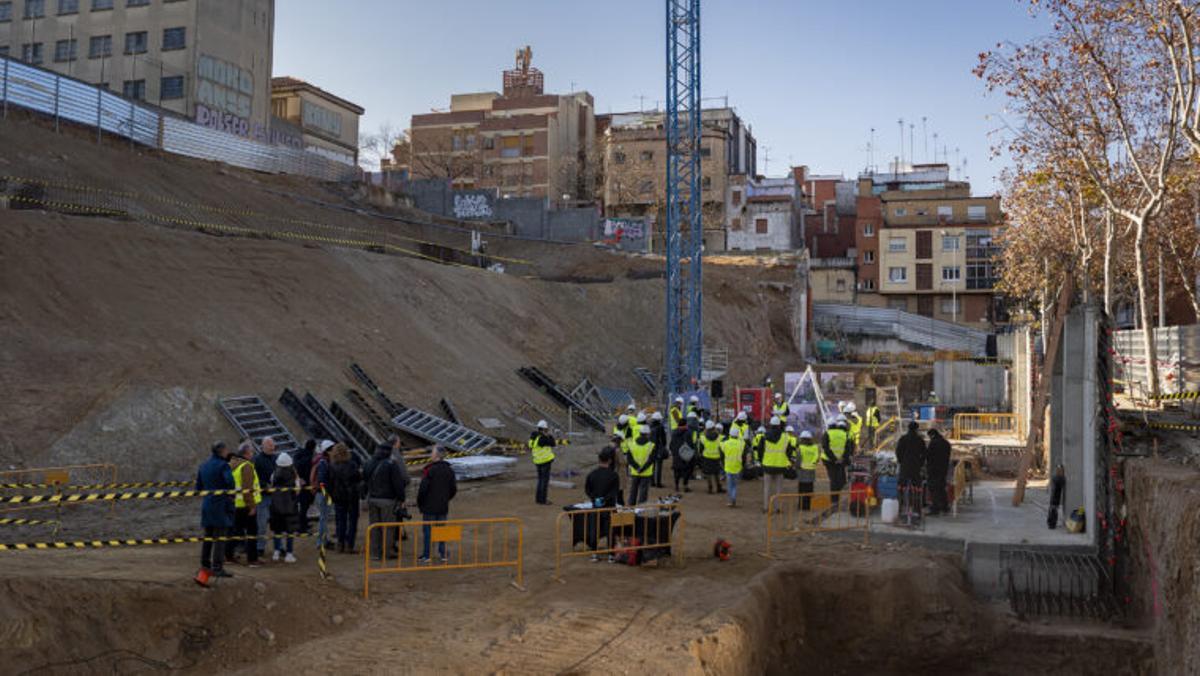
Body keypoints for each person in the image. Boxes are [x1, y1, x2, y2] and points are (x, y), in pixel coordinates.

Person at [364, 436, 410, 561]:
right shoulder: (391, 464)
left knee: (375, 526)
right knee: (389, 527)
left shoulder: (369, 463)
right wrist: (402, 498)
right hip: (387, 500)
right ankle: (388, 551)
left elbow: (365, 480)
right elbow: (398, 484)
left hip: (372, 498)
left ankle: (375, 553)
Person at [196, 441, 235, 581]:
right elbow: (230, 482)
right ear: (222, 451)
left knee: (208, 537)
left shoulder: (203, 465)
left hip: (207, 505)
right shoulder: (223, 465)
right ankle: (218, 567)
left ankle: (205, 565)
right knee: (220, 538)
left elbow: (198, 487)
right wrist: (231, 494)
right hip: (221, 505)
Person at [417, 445, 457, 564]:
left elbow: (423, 489)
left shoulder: (430, 470)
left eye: (432, 453)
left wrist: (420, 502)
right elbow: (453, 489)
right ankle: (442, 553)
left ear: (437, 455)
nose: (431, 455)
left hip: (429, 506)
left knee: (428, 531)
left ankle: (427, 555)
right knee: (441, 530)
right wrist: (446, 498)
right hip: (442, 505)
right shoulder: (449, 470)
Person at [226, 440, 261, 568]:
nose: (253, 453)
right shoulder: (246, 466)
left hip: (236, 504)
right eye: (251, 451)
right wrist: (252, 506)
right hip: (246, 505)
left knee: (235, 531)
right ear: (246, 453)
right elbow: (248, 488)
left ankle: (228, 556)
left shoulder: (233, 465)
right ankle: (252, 559)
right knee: (252, 532)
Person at [329, 443, 362, 554]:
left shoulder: (332, 466)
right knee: (352, 521)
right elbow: (358, 478)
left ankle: (340, 543)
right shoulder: (352, 464)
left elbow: (331, 482)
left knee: (340, 520)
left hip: (338, 496)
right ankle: (349, 545)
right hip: (352, 496)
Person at [269, 451, 301, 563]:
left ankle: (276, 552)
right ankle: (289, 553)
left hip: (276, 506)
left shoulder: (274, 474)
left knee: (277, 531)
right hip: (290, 507)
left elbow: (271, 485)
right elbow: (297, 491)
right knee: (290, 532)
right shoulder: (294, 476)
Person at [759, 417, 794, 514]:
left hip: (767, 465)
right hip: (780, 466)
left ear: (770, 424)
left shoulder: (764, 436)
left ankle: (766, 508)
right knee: (779, 489)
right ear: (779, 425)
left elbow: (760, 451)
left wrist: (762, 461)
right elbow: (789, 452)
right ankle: (778, 508)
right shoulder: (785, 437)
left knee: (767, 488)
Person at [251, 436, 278, 558]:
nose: (272, 447)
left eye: (273, 445)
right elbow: (253, 477)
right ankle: (259, 547)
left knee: (278, 523)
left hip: (276, 496)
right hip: (263, 496)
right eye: (269, 445)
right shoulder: (257, 460)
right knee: (261, 524)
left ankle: (279, 547)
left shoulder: (276, 458)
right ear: (263, 446)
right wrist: (264, 485)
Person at [821, 415, 854, 506]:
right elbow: (848, 449)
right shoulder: (845, 434)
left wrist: (834, 459)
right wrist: (842, 459)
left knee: (833, 480)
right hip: (840, 461)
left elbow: (826, 448)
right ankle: (837, 498)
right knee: (839, 479)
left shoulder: (827, 434)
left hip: (829, 461)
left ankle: (834, 500)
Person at [896, 421, 927, 518]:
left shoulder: (903, 439)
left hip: (905, 467)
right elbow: (925, 453)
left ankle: (900, 509)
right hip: (915, 467)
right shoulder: (919, 440)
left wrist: (901, 461)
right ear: (917, 429)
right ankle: (917, 510)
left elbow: (898, 451)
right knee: (917, 488)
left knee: (901, 487)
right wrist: (921, 463)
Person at [310, 439, 336, 548]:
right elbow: (322, 481)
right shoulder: (324, 462)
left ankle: (324, 539)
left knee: (323, 518)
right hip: (323, 494)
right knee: (323, 518)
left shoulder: (321, 461)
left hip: (321, 493)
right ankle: (321, 541)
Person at [625, 425, 656, 506]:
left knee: (633, 491)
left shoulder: (631, 444)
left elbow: (629, 459)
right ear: (648, 434)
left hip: (635, 472)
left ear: (640, 433)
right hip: (646, 473)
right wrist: (642, 469)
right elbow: (651, 460)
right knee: (643, 493)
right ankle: (640, 510)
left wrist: (637, 468)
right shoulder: (651, 445)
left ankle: (630, 508)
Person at [529, 420, 556, 505]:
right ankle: (543, 500)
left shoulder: (534, 437)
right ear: (545, 429)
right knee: (544, 481)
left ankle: (538, 499)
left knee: (540, 480)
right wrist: (549, 435)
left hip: (537, 461)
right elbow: (553, 443)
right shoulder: (543, 438)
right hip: (545, 461)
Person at [926, 427, 952, 516]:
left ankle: (935, 508)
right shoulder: (946, 443)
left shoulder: (933, 443)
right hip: (943, 469)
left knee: (933, 489)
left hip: (934, 470)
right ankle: (945, 507)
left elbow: (928, 456)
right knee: (941, 488)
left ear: (932, 435)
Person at [670, 411, 698, 492]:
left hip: (676, 455)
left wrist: (674, 452)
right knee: (687, 470)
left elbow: (671, 444)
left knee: (677, 471)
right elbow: (690, 444)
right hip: (685, 455)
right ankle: (685, 485)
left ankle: (676, 485)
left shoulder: (674, 432)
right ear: (685, 424)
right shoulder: (688, 432)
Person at [293, 439, 316, 534]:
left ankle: (303, 523)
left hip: (300, 483)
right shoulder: (310, 457)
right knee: (304, 507)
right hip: (307, 485)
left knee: (303, 506)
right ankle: (301, 528)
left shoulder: (298, 454)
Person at [721, 428, 747, 507]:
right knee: (735, 485)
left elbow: (722, 454)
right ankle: (733, 498)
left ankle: (731, 500)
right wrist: (743, 464)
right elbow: (744, 456)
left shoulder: (725, 443)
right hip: (737, 466)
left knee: (729, 484)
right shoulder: (741, 444)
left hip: (728, 466)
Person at [795, 430, 821, 511]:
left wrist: (797, 468)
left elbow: (798, 460)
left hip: (802, 471)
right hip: (811, 470)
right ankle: (808, 506)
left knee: (802, 489)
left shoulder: (800, 448)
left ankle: (801, 506)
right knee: (809, 488)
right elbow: (817, 459)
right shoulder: (815, 447)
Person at [698, 420, 724, 494]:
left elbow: (701, 448)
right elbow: (722, 448)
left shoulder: (703, 437)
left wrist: (700, 454)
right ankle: (719, 487)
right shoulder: (720, 437)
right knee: (716, 473)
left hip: (707, 457)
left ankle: (710, 488)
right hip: (716, 457)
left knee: (708, 473)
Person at [648, 411, 668, 488]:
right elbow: (663, 439)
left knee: (652, 466)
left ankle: (652, 482)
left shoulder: (650, 426)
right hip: (658, 447)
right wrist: (664, 446)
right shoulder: (660, 427)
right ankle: (658, 483)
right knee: (659, 466)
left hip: (651, 447)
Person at [1047, 464, 1066, 529]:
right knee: (1054, 510)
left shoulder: (1055, 477)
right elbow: (1062, 482)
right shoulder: (1058, 478)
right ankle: (1052, 524)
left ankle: (1051, 523)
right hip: (1055, 496)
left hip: (1054, 496)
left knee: (1052, 509)